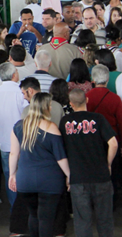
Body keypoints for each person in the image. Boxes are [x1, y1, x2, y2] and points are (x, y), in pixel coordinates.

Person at [8, 92, 70, 237]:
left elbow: (13, 154)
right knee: (46, 219)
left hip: (25, 180)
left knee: (33, 215)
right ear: (46, 107)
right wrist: (69, 175)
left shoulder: (18, 126)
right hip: (50, 181)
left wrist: (12, 174)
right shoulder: (51, 127)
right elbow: (60, 157)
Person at [60, 88, 118, 237]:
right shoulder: (98, 118)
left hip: (78, 178)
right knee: (104, 219)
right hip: (101, 176)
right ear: (86, 100)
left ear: (70, 104)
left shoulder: (65, 122)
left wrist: (67, 175)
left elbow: (62, 151)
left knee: (82, 221)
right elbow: (114, 143)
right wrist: (109, 164)